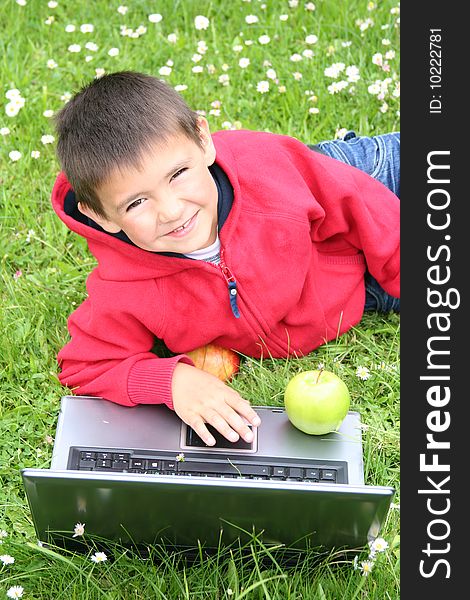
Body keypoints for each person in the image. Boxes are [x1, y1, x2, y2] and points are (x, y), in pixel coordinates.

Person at [51, 71, 400, 448]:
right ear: (100, 215)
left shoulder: (270, 171)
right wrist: (172, 382)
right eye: (136, 202)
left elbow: (367, 210)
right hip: (356, 288)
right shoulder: (124, 287)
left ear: (203, 141)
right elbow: (85, 365)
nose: (171, 210)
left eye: (178, 174)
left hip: (339, 188)